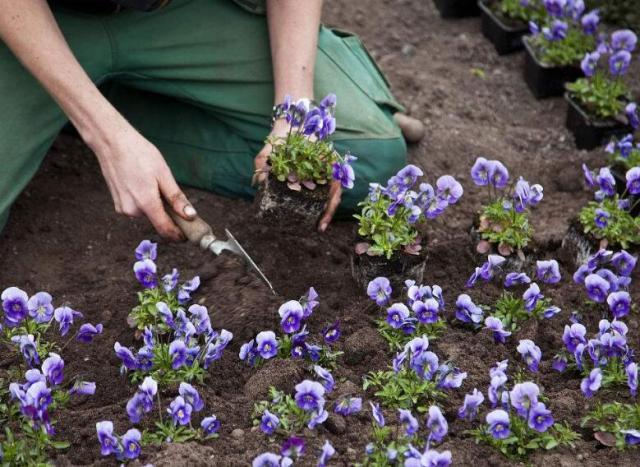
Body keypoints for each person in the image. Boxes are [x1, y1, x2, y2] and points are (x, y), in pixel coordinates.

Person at [0, 0, 423, 239]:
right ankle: (76, 106)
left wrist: (294, 114)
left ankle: (103, 105)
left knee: (361, 163)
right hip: (40, 23)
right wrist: (106, 136)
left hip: (181, 12)